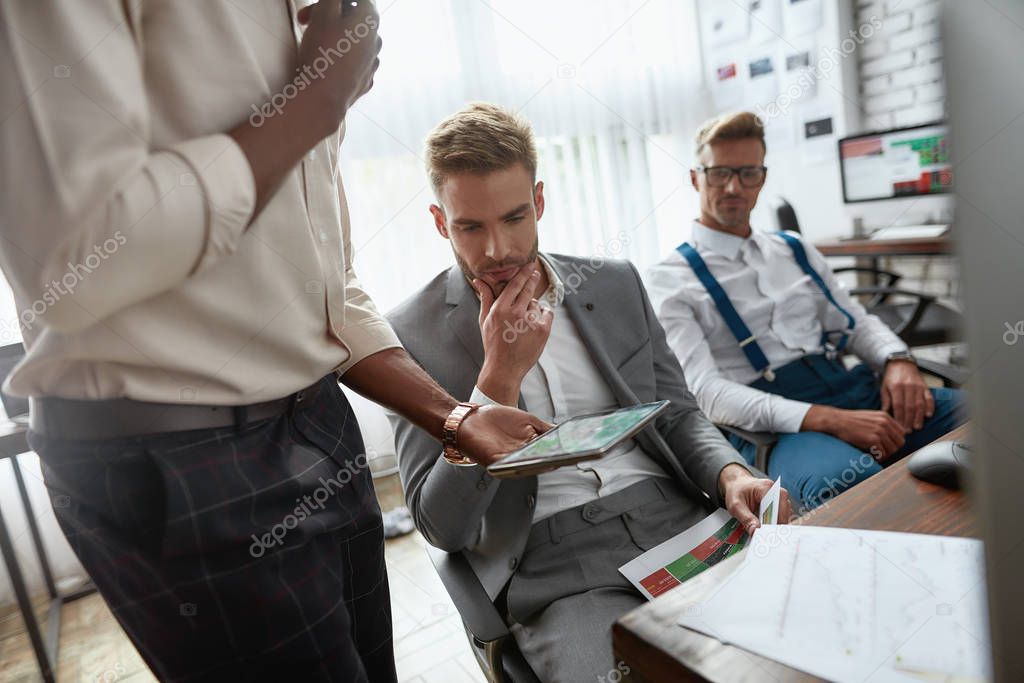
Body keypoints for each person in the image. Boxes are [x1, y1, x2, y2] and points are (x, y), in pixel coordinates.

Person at [0, 3, 546, 681]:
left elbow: (327, 291)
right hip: (176, 452)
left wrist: (458, 416)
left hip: (318, 418)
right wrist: (317, 98)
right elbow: (75, 258)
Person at [386, 103, 790, 683]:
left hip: (675, 520)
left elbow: (678, 414)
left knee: (788, 651)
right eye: (470, 226)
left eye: (515, 216)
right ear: (438, 220)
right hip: (551, 564)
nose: (498, 249)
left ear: (541, 201)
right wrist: (496, 379)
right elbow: (440, 526)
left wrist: (730, 474)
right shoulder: (409, 335)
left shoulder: (614, 282)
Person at [646, 111, 965, 510]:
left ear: (761, 178)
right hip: (779, 425)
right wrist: (828, 419)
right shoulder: (669, 278)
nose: (733, 186)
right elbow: (708, 394)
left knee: (984, 419)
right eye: (718, 173)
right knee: (848, 489)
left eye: (747, 173)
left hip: (850, 388)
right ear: (695, 177)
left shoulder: (793, 248)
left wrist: (897, 358)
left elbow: (856, 322)